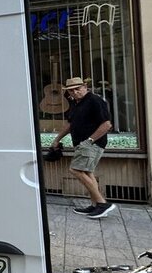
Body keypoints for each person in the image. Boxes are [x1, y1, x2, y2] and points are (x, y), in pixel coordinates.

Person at [50, 77, 116, 218]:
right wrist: (57, 139)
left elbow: (107, 125)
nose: (75, 92)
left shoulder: (95, 101)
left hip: (91, 144)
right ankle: (95, 206)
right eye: (71, 90)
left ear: (85, 87)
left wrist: (89, 140)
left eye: (77, 89)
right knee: (87, 173)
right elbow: (70, 124)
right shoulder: (76, 103)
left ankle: (102, 203)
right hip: (82, 144)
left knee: (75, 170)